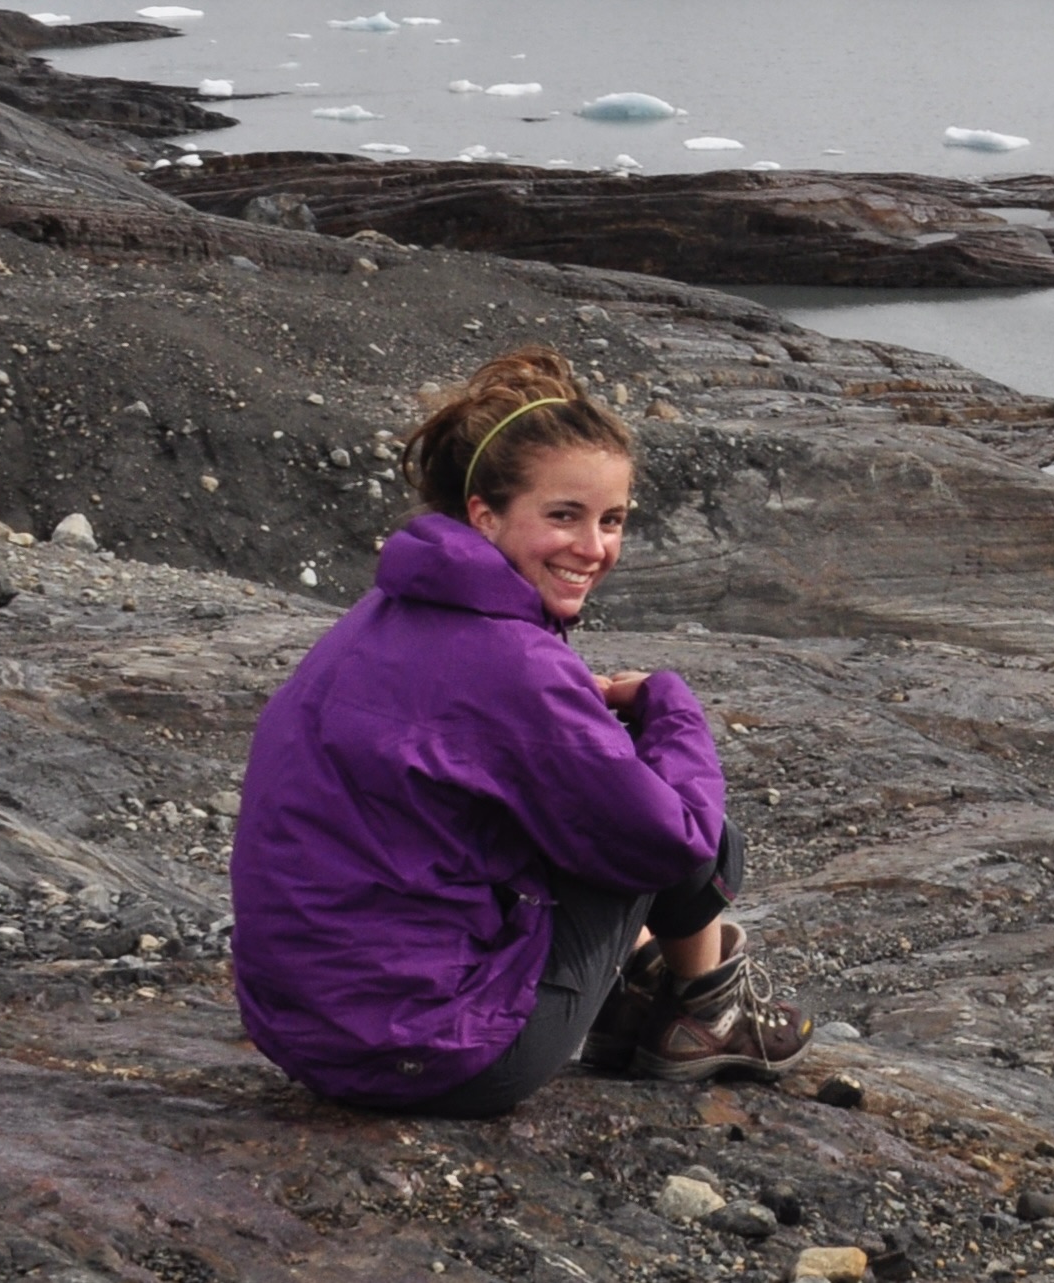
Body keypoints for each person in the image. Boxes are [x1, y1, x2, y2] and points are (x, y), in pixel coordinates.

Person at [231, 346, 811, 1117]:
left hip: (309, 1036)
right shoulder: (512, 663)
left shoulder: (383, 618)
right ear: (485, 514)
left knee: (582, 804)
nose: (594, 548)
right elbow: (673, 840)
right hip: (439, 1057)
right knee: (701, 832)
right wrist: (671, 704)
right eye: (563, 516)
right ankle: (707, 1011)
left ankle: (648, 1001)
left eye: (612, 521)